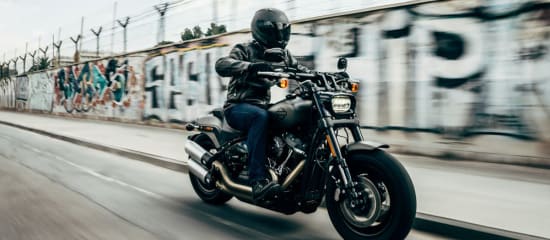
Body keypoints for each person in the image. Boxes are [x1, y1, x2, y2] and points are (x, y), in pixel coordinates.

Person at [215, 8, 309, 202]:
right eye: (276, 30)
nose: (280, 34)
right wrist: (248, 66)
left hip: (262, 105)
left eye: (283, 30)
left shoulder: (282, 55)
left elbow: (301, 69)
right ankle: (257, 178)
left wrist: (325, 76)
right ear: (263, 30)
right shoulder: (245, 49)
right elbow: (222, 64)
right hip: (238, 106)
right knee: (260, 116)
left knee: (294, 114)